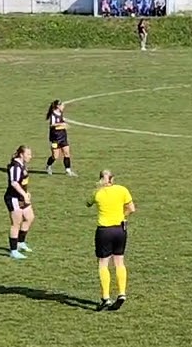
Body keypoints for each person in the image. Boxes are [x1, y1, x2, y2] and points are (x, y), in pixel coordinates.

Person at [87, 169, 135, 310]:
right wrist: (122, 215)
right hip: (120, 229)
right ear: (112, 179)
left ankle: (106, 297)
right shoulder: (122, 190)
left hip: (104, 231)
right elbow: (131, 208)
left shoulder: (97, 192)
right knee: (119, 261)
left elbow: (88, 203)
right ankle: (122, 293)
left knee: (103, 263)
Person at [4, 146, 35, 260]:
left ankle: (20, 242)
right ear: (21, 154)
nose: (30, 157)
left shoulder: (22, 165)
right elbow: (14, 183)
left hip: (22, 197)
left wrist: (26, 192)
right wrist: (24, 194)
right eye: (28, 154)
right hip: (14, 198)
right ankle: (13, 251)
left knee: (29, 217)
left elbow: (22, 182)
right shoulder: (15, 167)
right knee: (16, 223)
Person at [45, 100, 76, 176]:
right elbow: (52, 125)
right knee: (55, 156)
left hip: (63, 137)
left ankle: (68, 170)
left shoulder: (60, 113)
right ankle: (48, 166)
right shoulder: (53, 114)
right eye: (62, 106)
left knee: (67, 153)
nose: (63, 107)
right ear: (58, 106)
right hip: (55, 139)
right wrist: (61, 124)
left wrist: (64, 124)